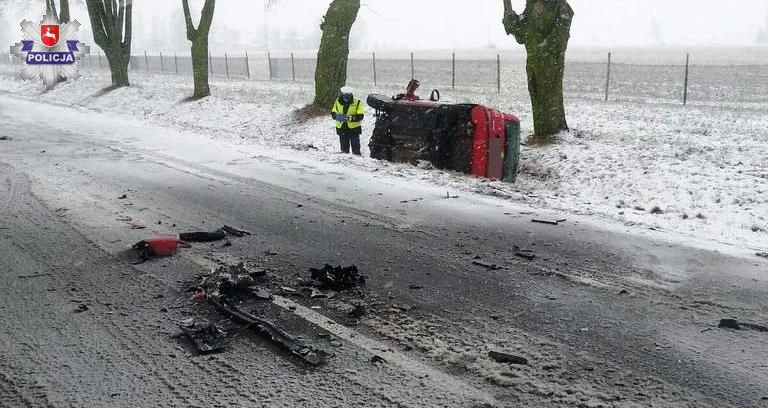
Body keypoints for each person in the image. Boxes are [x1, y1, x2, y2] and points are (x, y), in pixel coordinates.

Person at [330, 86, 365, 155]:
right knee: (344, 150)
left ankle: (357, 160)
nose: (346, 97)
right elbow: (333, 113)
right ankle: (344, 162)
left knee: (356, 148)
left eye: (348, 95)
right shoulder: (337, 101)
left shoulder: (357, 102)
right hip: (342, 127)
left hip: (354, 129)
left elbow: (360, 116)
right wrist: (341, 117)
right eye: (345, 95)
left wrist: (347, 118)